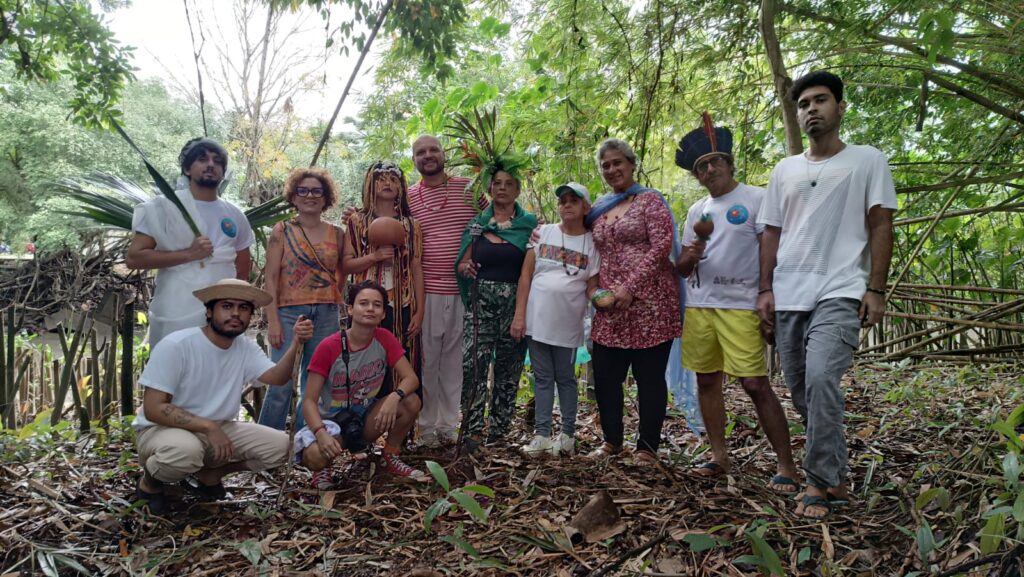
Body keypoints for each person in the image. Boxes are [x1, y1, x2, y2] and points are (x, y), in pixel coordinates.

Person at [757, 71, 896, 519]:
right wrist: (765, 289)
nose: (811, 109)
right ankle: (835, 475)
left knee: (821, 378)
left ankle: (817, 481)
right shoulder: (786, 169)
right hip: (789, 292)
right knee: (801, 390)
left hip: (840, 288)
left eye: (820, 100)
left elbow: (880, 224)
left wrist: (875, 288)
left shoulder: (866, 160)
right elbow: (771, 233)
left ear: (840, 107)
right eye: (803, 104)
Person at [674, 114, 799, 494]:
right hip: (699, 306)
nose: (709, 169)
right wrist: (692, 252)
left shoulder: (756, 199)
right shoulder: (696, 212)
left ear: (729, 164)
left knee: (754, 384)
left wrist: (766, 291)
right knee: (707, 379)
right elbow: (680, 269)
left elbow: (769, 248)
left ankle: (787, 464)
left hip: (740, 304)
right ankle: (718, 455)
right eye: (701, 167)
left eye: (715, 162)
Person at [133, 278, 314, 515]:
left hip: (218, 428)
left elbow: (277, 377)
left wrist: (296, 343)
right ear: (209, 311)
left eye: (243, 308)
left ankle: (211, 474)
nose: (235, 314)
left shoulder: (245, 348)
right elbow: (154, 408)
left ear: (250, 316)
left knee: (282, 447)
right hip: (161, 430)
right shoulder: (177, 345)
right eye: (227, 306)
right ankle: (150, 483)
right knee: (184, 453)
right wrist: (207, 426)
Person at [584, 139, 680, 467]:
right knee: (606, 375)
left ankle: (647, 447)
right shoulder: (600, 206)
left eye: (617, 163)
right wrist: (598, 291)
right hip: (610, 307)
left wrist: (630, 287)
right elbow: (586, 246)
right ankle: (612, 441)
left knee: (649, 377)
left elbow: (661, 245)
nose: (612, 170)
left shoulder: (649, 200)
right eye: (605, 166)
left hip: (651, 304)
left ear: (631, 163)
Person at [295, 281, 425, 488]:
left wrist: (394, 396)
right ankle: (322, 471)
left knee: (410, 401)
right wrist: (320, 433)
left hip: (364, 419)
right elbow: (309, 400)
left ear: (383, 314)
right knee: (314, 456)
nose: (370, 309)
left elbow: (411, 378)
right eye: (363, 303)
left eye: (377, 305)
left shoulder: (385, 339)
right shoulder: (329, 346)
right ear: (350, 309)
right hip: (332, 425)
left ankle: (390, 456)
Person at [126, 138, 253, 347]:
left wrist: (233, 308)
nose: (211, 164)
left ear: (223, 171)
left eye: (217, 161)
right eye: (202, 159)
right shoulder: (164, 208)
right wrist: (189, 254)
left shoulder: (235, 214)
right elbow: (134, 257)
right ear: (187, 168)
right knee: (173, 370)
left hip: (223, 310)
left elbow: (242, 272)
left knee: (219, 370)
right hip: (175, 307)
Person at [406, 135, 487, 447]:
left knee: (453, 361)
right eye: (420, 152)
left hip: (463, 291)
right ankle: (425, 427)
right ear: (414, 159)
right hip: (424, 293)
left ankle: (447, 425)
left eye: (433, 150)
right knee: (427, 361)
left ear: (444, 155)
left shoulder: (469, 188)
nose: (428, 156)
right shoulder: (408, 196)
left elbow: (496, 217)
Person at [512, 182, 600, 458]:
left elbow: (592, 286)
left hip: (568, 322)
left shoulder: (592, 243)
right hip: (537, 320)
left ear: (586, 207)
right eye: (563, 201)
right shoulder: (544, 233)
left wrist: (602, 300)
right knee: (542, 378)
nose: (567, 205)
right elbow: (526, 276)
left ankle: (568, 435)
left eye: (574, 200)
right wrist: (519, 316)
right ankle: (541, 435)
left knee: (565, 378)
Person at [455, 160, 537, 454]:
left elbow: (533, 270)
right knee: (472, 366)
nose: (502, 188)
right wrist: (466, 268)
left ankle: (500, 432)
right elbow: (463, 261)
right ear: (489, 188)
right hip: (480, 307)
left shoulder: (529, 226)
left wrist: (520, 314)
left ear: (517, 190)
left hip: (514, 306)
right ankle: (472, 430)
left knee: (508, 369)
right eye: (497, 183)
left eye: (509, 184)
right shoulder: (477, 224)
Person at [258, 168, 344, 432]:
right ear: (293, 197)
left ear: (325, 197)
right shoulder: (282, 231)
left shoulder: (337, 233)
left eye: (316, 191)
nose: (309, 196)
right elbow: (270, 278)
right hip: (288, 313)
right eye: (303, 191)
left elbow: (341, 273)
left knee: (316, 381)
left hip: (327, 312)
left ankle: (304, 443)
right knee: (280, 383)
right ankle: (265, 445)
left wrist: (334, 301)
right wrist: (273, 321)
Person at [343, 161, 424, 375]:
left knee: (402, 357)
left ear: (401, 187)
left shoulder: (411, 225)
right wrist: (374, 257)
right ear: (370, 184)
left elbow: (416, 267)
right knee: (365, 356)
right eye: (381, 179)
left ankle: (402, 405)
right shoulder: (357, 221)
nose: (387, 183)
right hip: (366, 304)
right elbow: (347, 265)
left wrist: (420, 311)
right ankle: (367, 406)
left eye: (393, 179)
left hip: (403, 302)